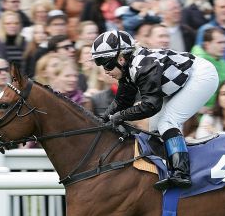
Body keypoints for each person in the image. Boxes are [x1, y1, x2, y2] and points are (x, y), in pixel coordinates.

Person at [91, 30, 218, 190]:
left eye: (107, 63)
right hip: (179, 83)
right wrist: (99, 121)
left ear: (121, 59)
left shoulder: (143, 66)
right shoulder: (128, 69)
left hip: (201, 76)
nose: (106, 71)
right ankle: (165, 170)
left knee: (167, 122)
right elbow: (122, 102)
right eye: (100, 65)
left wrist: (119, 116)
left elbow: (151, 106)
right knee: (155, 129)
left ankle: (181, 173)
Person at [190, 27, 225, 109]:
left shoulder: (224, 64)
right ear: (207, 45)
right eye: (219, 42)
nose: (224, 46)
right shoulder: (195, 64)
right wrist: (197, 109)